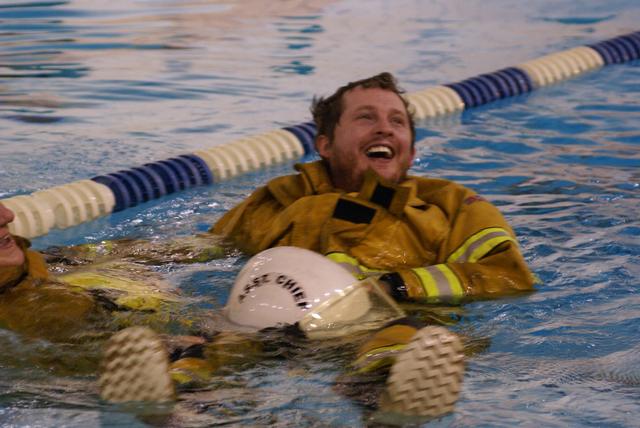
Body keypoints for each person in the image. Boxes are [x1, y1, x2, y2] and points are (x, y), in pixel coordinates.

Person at [98, 72, 536, 421]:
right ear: (324, 143)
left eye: (397, 121)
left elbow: (507, 273)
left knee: (405, 344)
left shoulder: (452, 204)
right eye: (366, 117)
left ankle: (389, 405)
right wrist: (75, 257)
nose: (384, 127)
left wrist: (396, 287)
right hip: (265, 321)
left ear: (411, 149)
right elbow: (198, 248)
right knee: (197, 343)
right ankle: (181, 406)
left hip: (377, 322)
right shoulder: (281, 198)